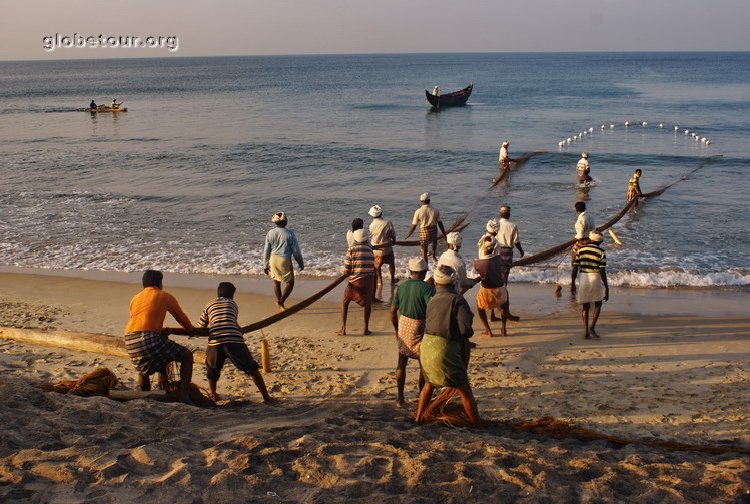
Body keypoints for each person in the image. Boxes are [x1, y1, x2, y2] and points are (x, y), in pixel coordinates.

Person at [415, 265, 479, 427]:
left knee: (429, 384)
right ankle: (477, 424)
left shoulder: (431, 300)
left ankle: (418, 418)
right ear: (454, 282)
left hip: (427, 349)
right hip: (445, 352)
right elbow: (466, 330)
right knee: (464, 390)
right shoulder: (458, 300)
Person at [123, 270, 195, 405]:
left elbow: (141, 321)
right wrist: (191, 330)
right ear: (159, 283)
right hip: (148, 338)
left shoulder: (135, 298)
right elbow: (182, 319)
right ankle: (184, 396)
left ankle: (145, 393)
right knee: (187, 356)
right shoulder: (164, 296)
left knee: (143, 367)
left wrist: (160, 331)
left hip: (129, 339)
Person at [198, 282, 272, 403]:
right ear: (232, 295)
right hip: (234, 339)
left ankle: (213, 395)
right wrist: (240, 330)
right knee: (252, 369)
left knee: (212, 369)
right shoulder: (233, 304)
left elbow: (201, 326)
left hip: (215, 340)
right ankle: (266, 398)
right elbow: (232, 321)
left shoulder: (209, 304)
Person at [390, 257, 434, 408]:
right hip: (419, 327)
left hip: (403, 325)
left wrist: (397, 330)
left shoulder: (401, 287)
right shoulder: (427, 289)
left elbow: (392, 311)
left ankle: (400, 398)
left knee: (401, 363)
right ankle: (422, 396)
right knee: (424, 365)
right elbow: (432, 310)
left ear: (411, 272)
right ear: (424, 272)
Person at [571, 231, 609, 339]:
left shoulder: (581, 250)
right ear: (600, 241)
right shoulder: (601, 251)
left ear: (590, 239)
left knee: (585, 306)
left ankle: (586, 331)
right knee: (598, 304)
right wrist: (606, 287)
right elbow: (602, 271)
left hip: (583, 278)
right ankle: (592, 327)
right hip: (595, 278)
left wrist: (573, 283)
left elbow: (575, 268)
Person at [263, 212, 304, 311]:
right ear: (285, 221)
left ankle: (280, 304)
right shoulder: (289, 233)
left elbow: (266, 250)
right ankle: (281, 302)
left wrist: (265, 264)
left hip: (273, 259)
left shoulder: (270, 233)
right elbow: (296, 251)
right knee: (290, 283)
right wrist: (300, 263)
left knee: (276, 282)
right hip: (284, 260)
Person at [337, 229, 375, 336]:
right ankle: (366, 329)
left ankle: (343, 329)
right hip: (368, 283)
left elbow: (347, 270)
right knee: (367, 304)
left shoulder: (351, 249)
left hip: (356, 283)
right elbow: (372, 267)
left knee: (345, 301)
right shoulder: (370, 250)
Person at [474, 236, 509, 337]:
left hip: (486, 292)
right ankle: (503, 328)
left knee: (479, 307)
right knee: (505, 303)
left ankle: (488, 330)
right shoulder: (499, 259)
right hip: (500, 290)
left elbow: (481, 274)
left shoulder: (477, 263)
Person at [496, 205, 524, 321]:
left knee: (495, 281)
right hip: (507, 253)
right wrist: (521, 251)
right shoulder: (512, 225)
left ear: (500, 214)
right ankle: (504, 311)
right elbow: (516, 241)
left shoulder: (495, 225)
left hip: (495, 253)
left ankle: (496, 309)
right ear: (509, 214)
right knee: (503, 283)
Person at [404, 192, 447, 261]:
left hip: (424, 231)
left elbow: (413, 225)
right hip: (433, 230)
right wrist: (444, 234)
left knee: (424, 248)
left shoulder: (418, 211)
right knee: (434, 241)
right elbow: (440, 223)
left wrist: (407, 235)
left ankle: (425, 261)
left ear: (421, 201)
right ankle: (433, 256)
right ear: (429, 200)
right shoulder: (435, 210)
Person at [368, 205, 397, 287]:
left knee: (377, 266)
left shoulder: (371, 225)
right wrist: (394, 241)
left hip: (376, 250)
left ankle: (380, 281)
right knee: (391, 263)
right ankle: (392, 280)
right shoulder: (387, 222)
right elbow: (393, 234)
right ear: (381, 213)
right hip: (387, 249)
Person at [572, 201, 596, 265]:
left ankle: (574, 268)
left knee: (574, 255)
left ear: (577, 209)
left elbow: (580, 235)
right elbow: (593, 228)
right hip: (590, 240)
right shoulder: (589, 215)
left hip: (582, 241)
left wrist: (574, 238)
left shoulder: (581, 219)